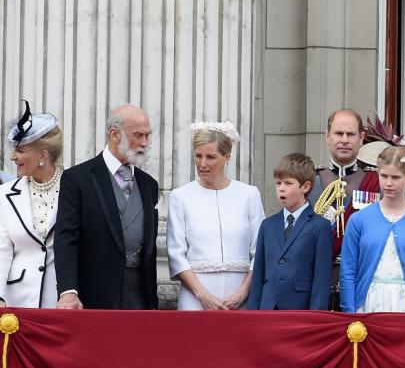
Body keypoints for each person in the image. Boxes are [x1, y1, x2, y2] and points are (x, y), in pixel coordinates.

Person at [55, 104, 159, 309]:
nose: (145, 143)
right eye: (138, 135)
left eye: (148, 135)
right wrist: (68, 292)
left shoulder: (149, 185)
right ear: (114, 134)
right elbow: (66, 238)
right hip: (93, 297)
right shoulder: (77, 179)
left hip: (139, 299)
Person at [166, 123, 265, 310]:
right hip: (195, 298)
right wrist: (203, 296)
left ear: (227, 157)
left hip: (241, 298)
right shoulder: (180, 196)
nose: (202, 164)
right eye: (198, 156)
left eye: (210, 157)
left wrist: (244, 292)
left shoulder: (249, 195)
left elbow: (260, 250)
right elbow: (176, 254)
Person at [339, 145, 405, 313]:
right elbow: (348, 270)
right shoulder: (358, 220)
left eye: (395, 177)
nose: (388, 183)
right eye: (383, 175)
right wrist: (349, 311)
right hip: (367, 303)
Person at [307, 109, 381, 308]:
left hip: (361, 281)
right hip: (317, 282)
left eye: (351, 134)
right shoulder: (310, 181)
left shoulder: (374, 182)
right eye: (339, 134)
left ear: (361, 138)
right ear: (327, 136)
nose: (345, 140)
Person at [248, 153, 334, 310]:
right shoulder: (267, 225)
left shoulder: (320, 226)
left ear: (305, 187)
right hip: (268, 308)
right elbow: (258, 275)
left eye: (288, 183)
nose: (281, 188)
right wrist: (253, 315)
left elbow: (320, 279)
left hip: (300, 309)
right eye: (278, 183)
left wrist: (316, 318)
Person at [0, 103, 64, 308]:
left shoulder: (74, 190)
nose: (13, 157)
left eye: (20, 150)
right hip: (16, 304)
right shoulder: (5, 193)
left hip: (61, 303)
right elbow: (1, 250)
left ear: (43, 155)